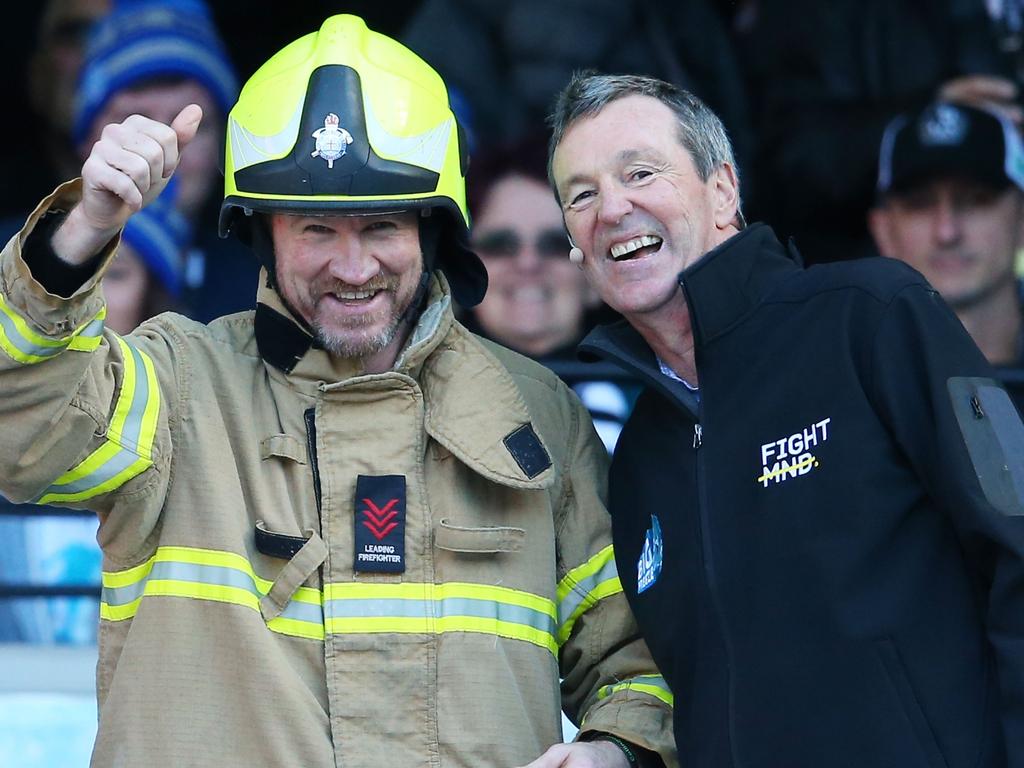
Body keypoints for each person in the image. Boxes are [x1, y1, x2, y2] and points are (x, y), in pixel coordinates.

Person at [0, 16, 675, 768]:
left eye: (381, 225)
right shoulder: (176, 383)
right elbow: (23, 432)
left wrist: (616, 753)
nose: (353, 269)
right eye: (317, 229)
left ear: (433, 230)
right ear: (262, 234)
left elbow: (637, 660)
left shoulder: (539, 414)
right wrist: (82, 231)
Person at [549, 71, 1024, 767]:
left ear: (722, 189)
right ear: (574, 244)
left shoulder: (872, 315)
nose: (612, 208)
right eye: (581, 195)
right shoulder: (641, 456)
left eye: (640, 173)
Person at [72, 0, 257, 323]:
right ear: (86, 139)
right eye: (136, 120)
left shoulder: (264, 282)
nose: (163, 148)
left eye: (193, 126)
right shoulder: (14, 260)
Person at [466, 132, 631, 451]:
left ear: (595, 277)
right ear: (464, 268)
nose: (528, 263)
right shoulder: (418, 395)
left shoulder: (662, 400)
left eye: (555, 245)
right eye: (499, 245)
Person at [868, 101, 1024, 407]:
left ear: (1022, 221)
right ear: (883, 230)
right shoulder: (853, 386)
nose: (947, 232)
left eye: (976, 201)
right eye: (920, 204)